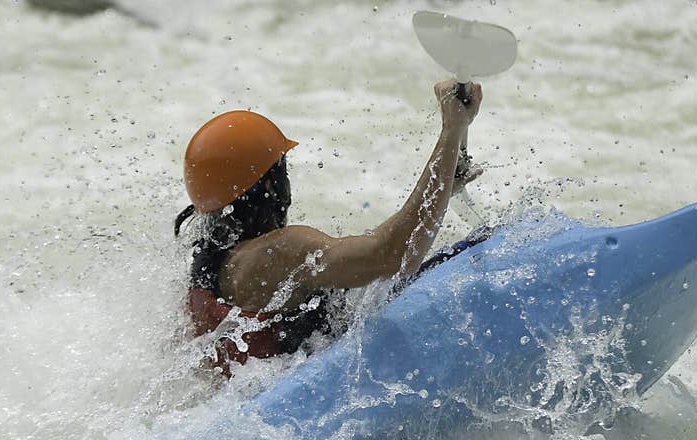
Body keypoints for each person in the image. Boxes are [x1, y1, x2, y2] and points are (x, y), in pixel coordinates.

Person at [175, 79, 483, 377]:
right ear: (271, 184)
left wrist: (442, 184)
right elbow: (391, 255)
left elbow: (364, 260)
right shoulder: (282, 250)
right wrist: (451, 129)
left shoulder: (208, 269)